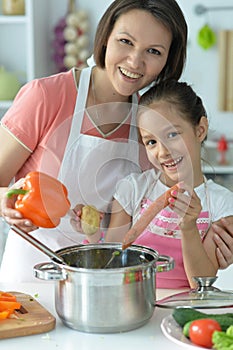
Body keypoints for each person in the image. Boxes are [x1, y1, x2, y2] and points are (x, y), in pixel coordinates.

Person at [0, 0, 232, 282]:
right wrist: (6, 202)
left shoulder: (150, 125)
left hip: (107, 281)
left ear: (168, 61)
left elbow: (165, 215)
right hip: (33, 271)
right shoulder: (45, 97)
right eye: (125, 41)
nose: (135, 62)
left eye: (154, 51)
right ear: (105, 37)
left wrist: (217, 241)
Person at [105, 80, 233, 289]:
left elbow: (201, 284)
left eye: (172, 135)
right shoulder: (133, 189)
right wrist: (92, 232)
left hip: (185, 310)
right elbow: (111, 261)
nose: (162, 152)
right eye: (151, 142)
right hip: (131, 304)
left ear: (200, 130)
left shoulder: (222, 205)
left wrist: (189, 227)